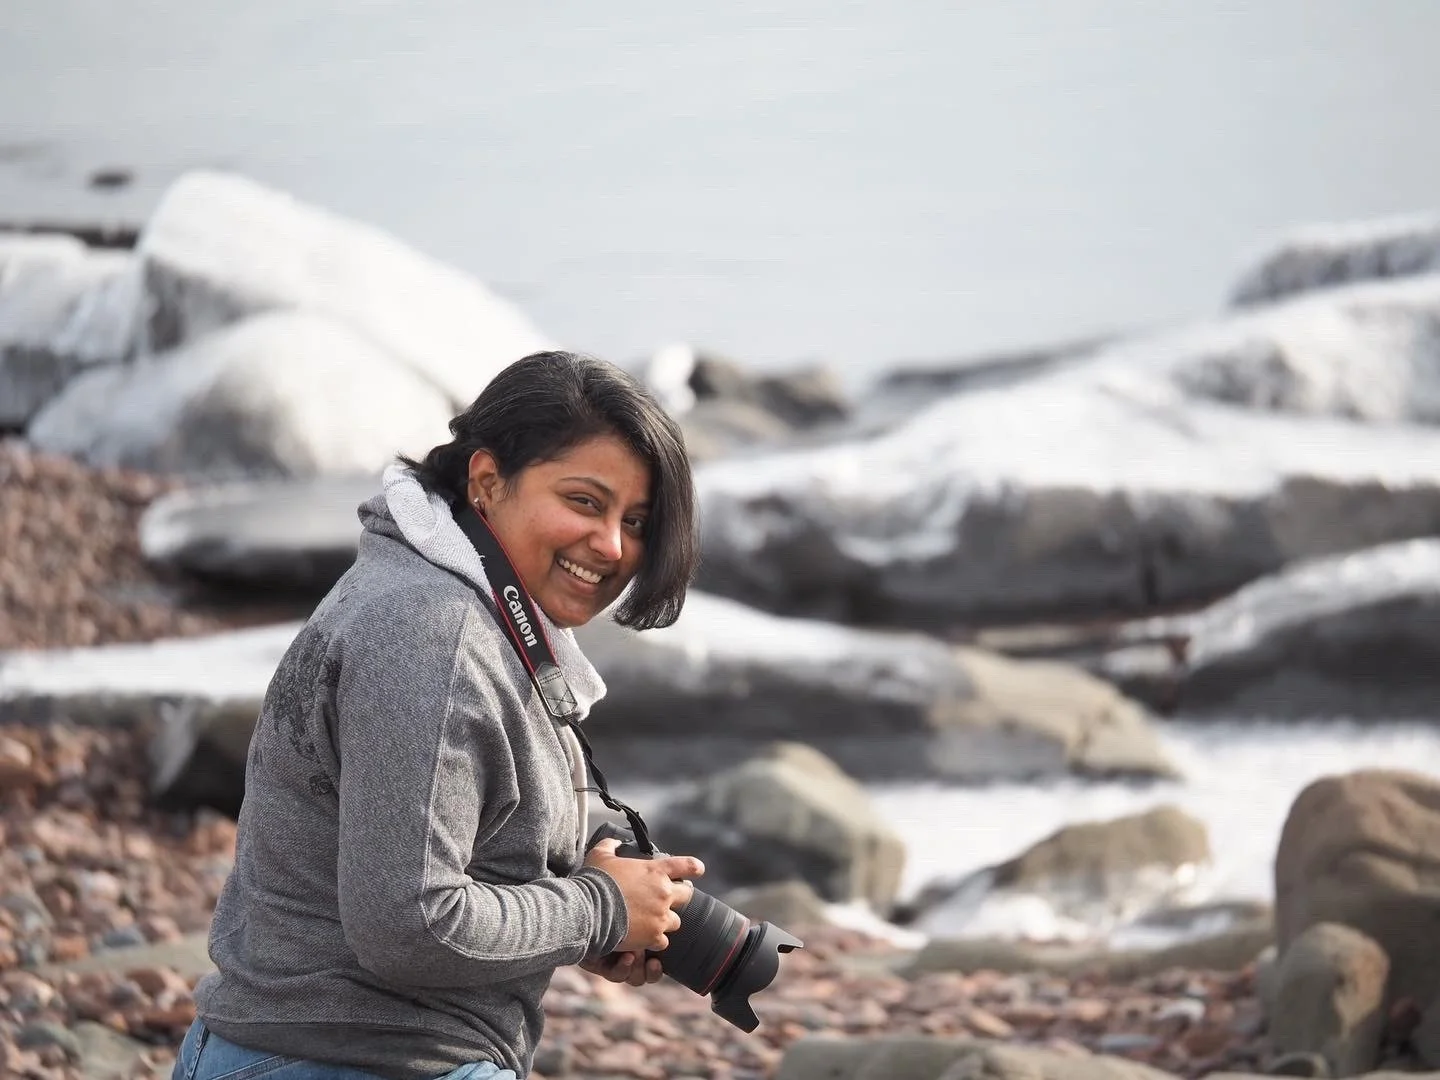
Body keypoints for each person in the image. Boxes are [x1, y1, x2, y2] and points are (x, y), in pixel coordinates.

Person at [174, 351, 706, 1080]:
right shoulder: (434, 636)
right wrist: (599, 911)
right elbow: (411, 923)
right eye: (585, 501)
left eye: (637, 520)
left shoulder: (451, 604)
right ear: (487, 482)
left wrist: (595, 882)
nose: (613, 545)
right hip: (343, 1060)